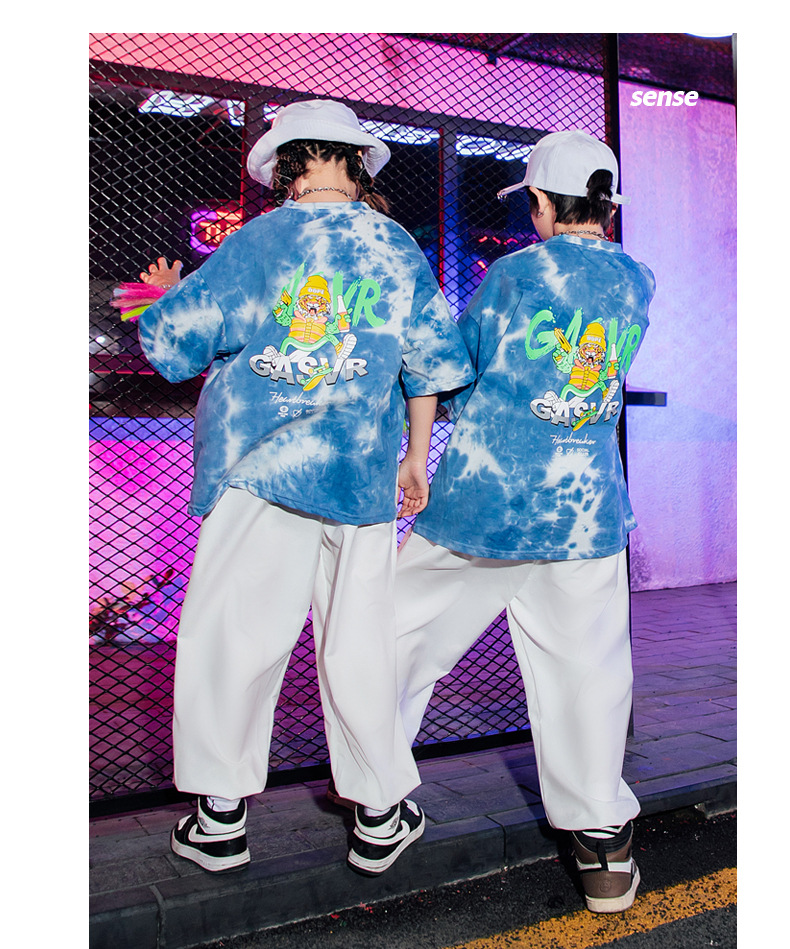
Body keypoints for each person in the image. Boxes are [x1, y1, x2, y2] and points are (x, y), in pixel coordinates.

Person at [133, 98, 475, 875]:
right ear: (354, 160)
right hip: (359, 473)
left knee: (235, 635)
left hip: (257, 469)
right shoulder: (394, 246)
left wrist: (165, 296)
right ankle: (379, 813)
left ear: (287, 163)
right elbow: (429, 364)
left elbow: (175, 345)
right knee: (359, 638)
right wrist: (416, 458)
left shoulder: (256, 241)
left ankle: (220, 819)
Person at [393, 130, 656, 912]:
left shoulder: (514, 274)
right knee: (588, 673)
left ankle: (377, 790)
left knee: (391, 633)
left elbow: (460, 368)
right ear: (607, 205)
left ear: (539, 201)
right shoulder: (638, 278)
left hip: (490, 499)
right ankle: (604, 848)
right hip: (585, 508)